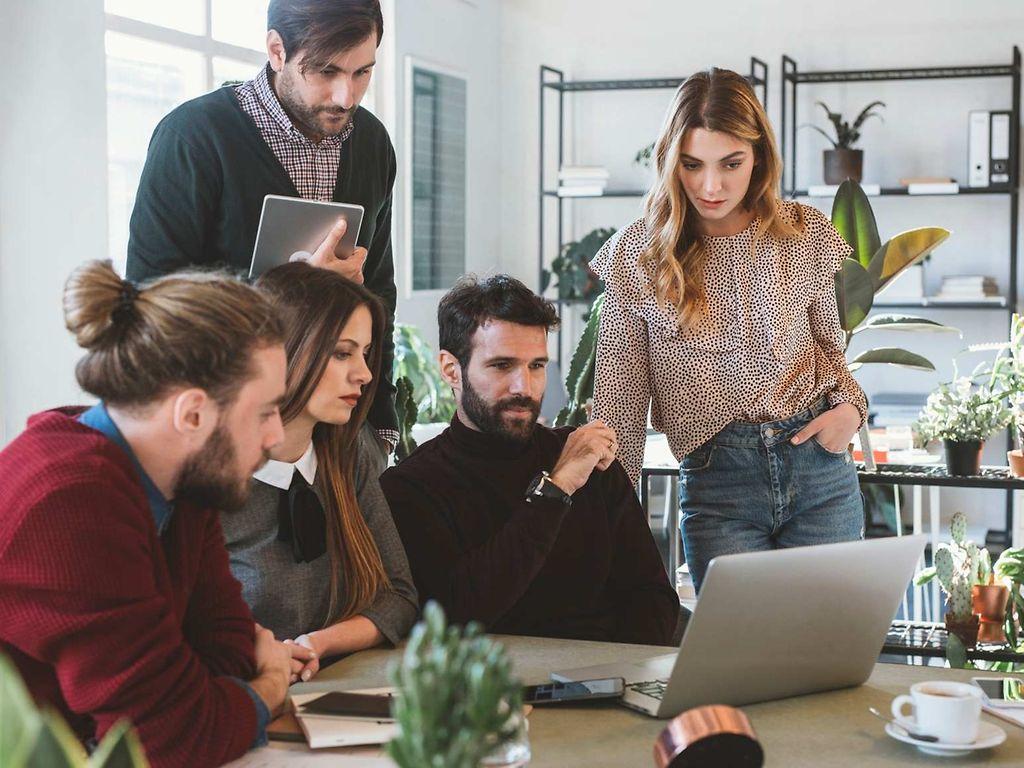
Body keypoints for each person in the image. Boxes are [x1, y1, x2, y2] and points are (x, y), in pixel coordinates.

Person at [0, 262, 306, 766]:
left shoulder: (184, 481)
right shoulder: (69, 502)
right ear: (191, 414)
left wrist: (215, 693)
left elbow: (225, 653)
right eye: (264, 412)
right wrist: (272, 684)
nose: (275, 437)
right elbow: (170, 739)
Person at [590, 68, 867, 593]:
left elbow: (831, 352)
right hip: (721, 484)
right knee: (744, 662)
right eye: (692, 165)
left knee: (825, 657)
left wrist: (851, 409)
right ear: (671, 162)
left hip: (820, 471)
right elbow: (619, 404)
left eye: (730, 163)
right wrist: (611, 526)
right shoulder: (638, 253)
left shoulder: (804, 231)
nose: (710, 186)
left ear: (758, 156)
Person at [126, 0, 400, 459]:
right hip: (225, 434)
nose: (345, 96)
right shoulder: (192, 137)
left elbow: (380, 292)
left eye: (362, 73)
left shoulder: (372, 143)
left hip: (337, 439)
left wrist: (380, 424)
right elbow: (151, 305)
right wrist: (296, 294)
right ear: (276, 50)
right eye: (326, 72)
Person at [380, 275, 678, 645]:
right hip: (489, 692)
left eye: (536, 366)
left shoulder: (587, 460)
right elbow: (453, 617)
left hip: (605, 682)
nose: (524, 387)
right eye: (502, 365)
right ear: (450, 370)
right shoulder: (410, 487)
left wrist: (609, 677)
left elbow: (655, 601)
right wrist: (555, 489)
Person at [223, 263, 417, 683]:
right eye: (342, 353)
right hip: (242, 701)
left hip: (341, 690)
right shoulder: (213, 477)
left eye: (365, 354)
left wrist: (318, 644)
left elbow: (399, 597)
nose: (364, 374)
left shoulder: (351, 450)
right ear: (282, 351)